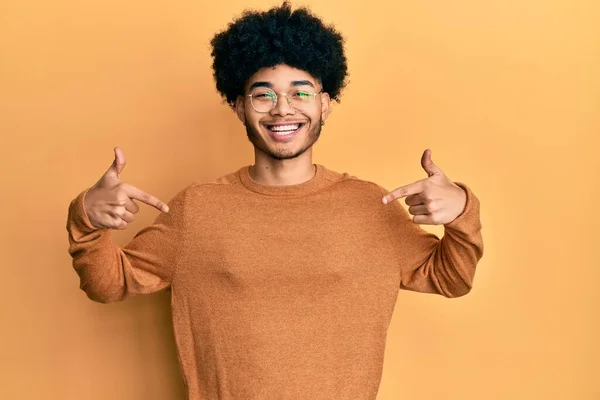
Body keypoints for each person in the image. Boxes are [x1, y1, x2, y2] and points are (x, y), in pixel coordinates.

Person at [66, 2, 484, 399]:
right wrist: (87, 216)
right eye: (263, 94)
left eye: (300, 93)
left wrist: (462, 210)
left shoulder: (369, 206)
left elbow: (452, 279)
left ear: (325, 104)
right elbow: (108, 284)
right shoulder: (197, 210)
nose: (282, 110)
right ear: (238, 106)